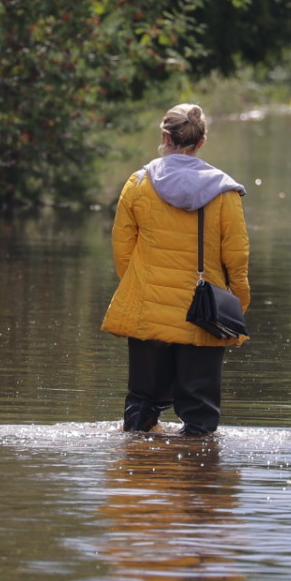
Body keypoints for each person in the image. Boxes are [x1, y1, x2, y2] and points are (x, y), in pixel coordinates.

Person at [101, 103, 251, 435]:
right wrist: (238, 302)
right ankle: (197, 477)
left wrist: (140, 288)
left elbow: (122, 248)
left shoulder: (138, 184)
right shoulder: (225, 192)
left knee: (142, 404)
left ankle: (136, 476)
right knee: (200, 413)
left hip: (148, 310)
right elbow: (236, 257)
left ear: (164, 137)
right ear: (202, 141)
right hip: (205, 315)